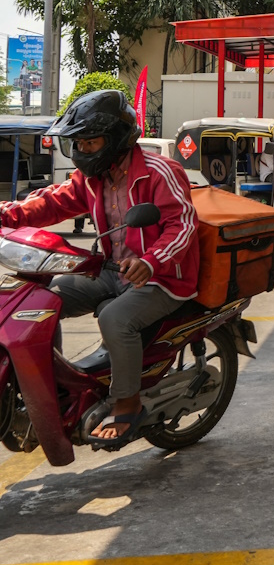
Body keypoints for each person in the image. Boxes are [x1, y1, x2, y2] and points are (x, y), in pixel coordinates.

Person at [0, 90, 198, 448]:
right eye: (79, 144)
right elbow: (52, 202)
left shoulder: (159, 171)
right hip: (110, 269)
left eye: (90, 143)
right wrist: (6, 213)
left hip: (164, 278)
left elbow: (182, 225)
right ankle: (48, 387)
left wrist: (151, 261)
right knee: (39, 303)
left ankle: (127, 402)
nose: (83, 152)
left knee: (116, 320)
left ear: (116, 138)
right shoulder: (91, 178)